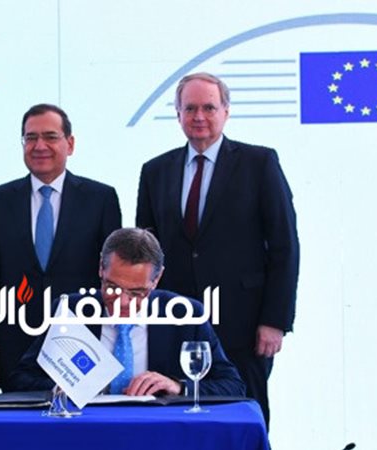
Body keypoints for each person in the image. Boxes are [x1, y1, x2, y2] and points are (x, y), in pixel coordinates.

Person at [135, 72, 299, 428]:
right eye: (190, 108)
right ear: (178, 113)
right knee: (174, 422)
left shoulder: (259, 163)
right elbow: (144, 255)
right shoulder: (155, 171)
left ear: (226, 111)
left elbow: (285, 246)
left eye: (209, 107)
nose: (199, 116)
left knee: (243, 420)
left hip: (244, 325)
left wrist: (275, 321)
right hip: (174, 324)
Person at [0, 103, 122, 390]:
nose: (39, 146)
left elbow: (112, 277)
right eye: (31, 138)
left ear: (70, 144)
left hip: (83, 343)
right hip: (14, 346)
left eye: (50, 137)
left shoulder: (101, 199)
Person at [10, 228, 245, 398]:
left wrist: (179, 386)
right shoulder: (70, 311)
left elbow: (233, 385)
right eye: (112, 287)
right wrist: (64, 388)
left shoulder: (185, 314)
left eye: (136, 292)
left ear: (156, 279)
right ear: (101, 268)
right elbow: (21, 379)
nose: (122, 302)